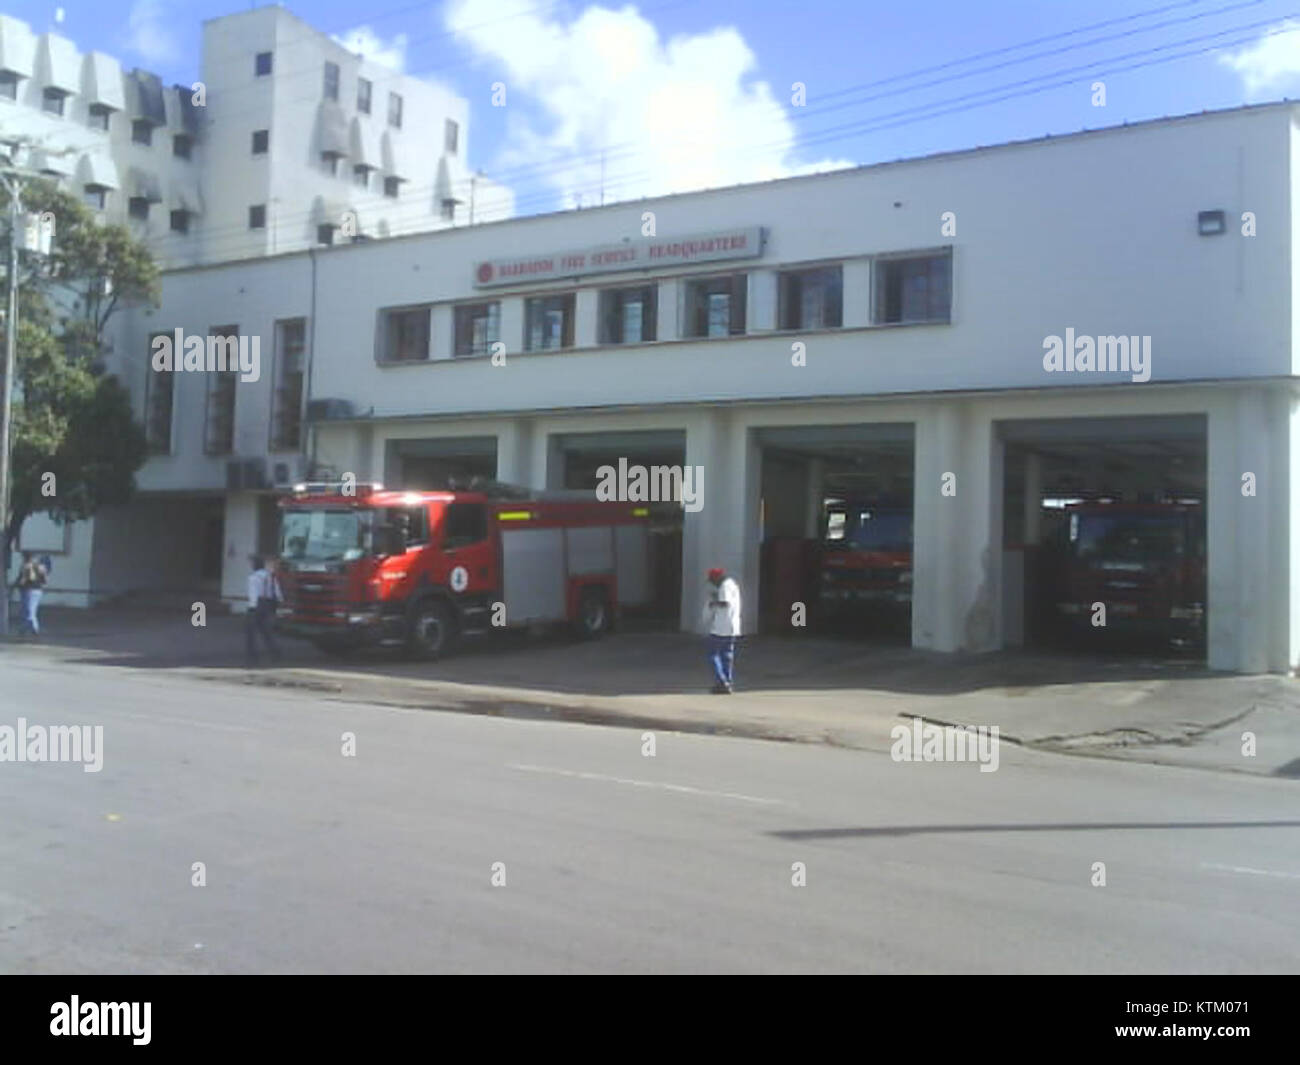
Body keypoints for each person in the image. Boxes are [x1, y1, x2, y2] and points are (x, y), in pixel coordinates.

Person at [701, 566, 741, 694]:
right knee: (727, 655)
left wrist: (713, 602)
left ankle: (721, 681)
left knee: (713, 655)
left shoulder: (725, 586)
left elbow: (725, 603)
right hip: (732, 627)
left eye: (712, 580)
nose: (712, 583)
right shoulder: (732, 585)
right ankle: (727, 681)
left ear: (717, 577)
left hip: (721, 627)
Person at [246, 554, 283, 666]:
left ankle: (252, 656)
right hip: (268, 605)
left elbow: (253, 594)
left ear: (255, 565)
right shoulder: (269, 576)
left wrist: (252, 608)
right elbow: (277, 592)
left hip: (257, 605)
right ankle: (275, 652)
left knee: (250, 632)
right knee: (266, 631)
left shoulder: (253, 578)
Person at [15, 551, 49, 636]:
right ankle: (25, 628)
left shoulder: (25, 566)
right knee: (30, 609)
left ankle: (33, 628)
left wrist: (17, 585)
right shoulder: (41, 567)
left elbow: (22, 579)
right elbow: (45, 579)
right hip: (37, 590)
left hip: (27, 589)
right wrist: (44, 587)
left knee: (28, 610)